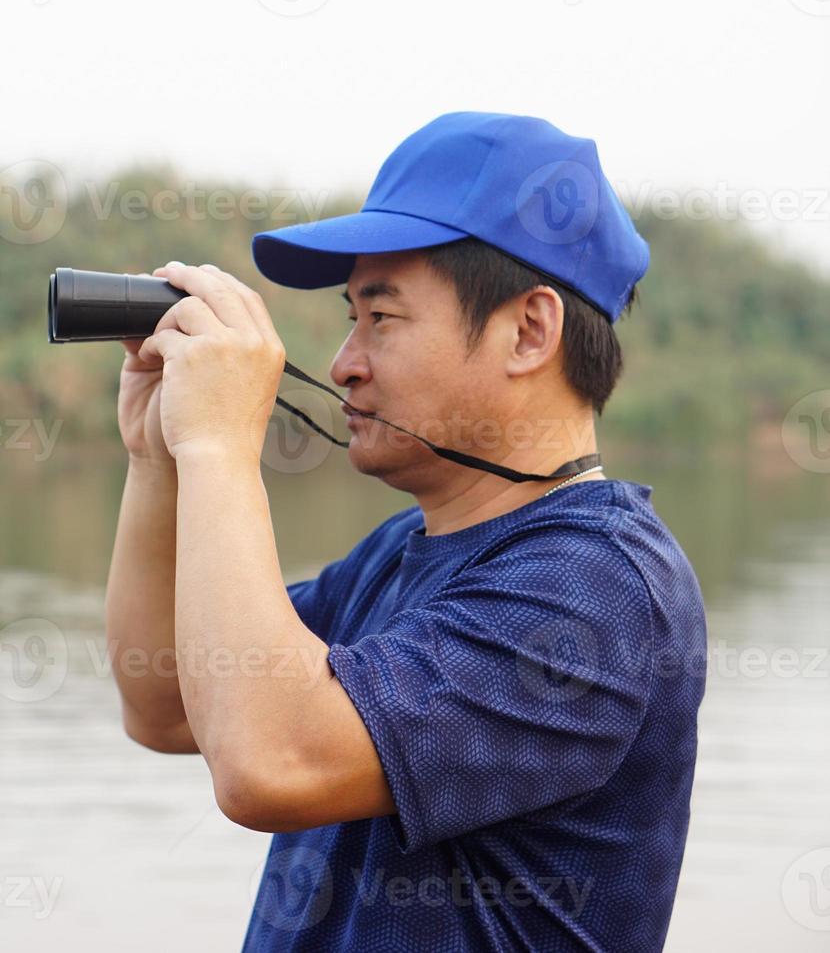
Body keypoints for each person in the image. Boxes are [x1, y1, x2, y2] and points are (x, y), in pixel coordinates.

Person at [104, 112, 707, 952]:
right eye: (351, 317)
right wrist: (157, 459)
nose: (346, 360)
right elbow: (165, 705)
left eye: (381, 318)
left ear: (529, 331)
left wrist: (217, 445)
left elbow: (268, 762)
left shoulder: (595, 589)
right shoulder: (402, 550)